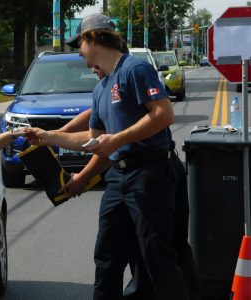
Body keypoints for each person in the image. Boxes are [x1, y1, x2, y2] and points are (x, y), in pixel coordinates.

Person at [24, 13, 189, 300]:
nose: (78, 51)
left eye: (80, 43)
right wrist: (78, 176)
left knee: (156, 256)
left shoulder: (134, 69)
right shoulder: (101, 88)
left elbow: (164, 114)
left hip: (150, 174)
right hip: (118, 178)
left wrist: (116, 139)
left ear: (94, 39)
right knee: (107, 256)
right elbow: (95, 142)